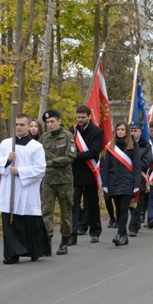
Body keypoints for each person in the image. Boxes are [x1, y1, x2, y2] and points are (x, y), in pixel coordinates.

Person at [0, 114, 50, 264]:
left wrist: (20, 171)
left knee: (29, 220)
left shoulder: (36, 146)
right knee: (10, 221)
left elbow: (40, 169)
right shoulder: (6, 144)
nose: (19, 127)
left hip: (27, 189)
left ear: (28, 127)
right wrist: (7, 160)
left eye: (22, 125)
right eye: (17, 124)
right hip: (9, 189)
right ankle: (12, 254)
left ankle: (33, 250)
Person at [40, 110, 75, 255]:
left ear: (59, 121)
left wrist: (50, 163)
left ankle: (64, 241)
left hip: (64, 181)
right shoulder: (44, 138)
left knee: (65, 211)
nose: (50, 125)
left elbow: (70, 156)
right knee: (46, 211)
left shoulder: (67, 136)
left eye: (52, 121)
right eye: (47, 122)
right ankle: (46, 241)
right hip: (48, 180)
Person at [101, 122, 140, 246]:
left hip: (127, 182)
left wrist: (136, 184)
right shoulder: (111, 147)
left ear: (126, 131)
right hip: (113, 182)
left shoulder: (133, 146)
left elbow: (137, 166)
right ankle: (124, 236)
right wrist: (105, 183)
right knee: (118, 209)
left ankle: (119, 234)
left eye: (123, 129)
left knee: (124, 209)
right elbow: (105, 166)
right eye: (118, 129)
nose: (120, 131)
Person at [69, 105, 104, 245]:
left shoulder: (97, 132)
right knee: (74, 204)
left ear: (89, 116)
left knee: (92, 204)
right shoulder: (72, 130)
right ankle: (74, 233)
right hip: (75, 173)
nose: (80, 120)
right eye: (78, 117)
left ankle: (95, 231)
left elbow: (94, 152)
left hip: (90, 173)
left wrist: (74, 156)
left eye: (83, 117)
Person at [128, 122, 152, 237]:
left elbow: (146, 163)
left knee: (137, 201)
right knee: (127, 201)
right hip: (126, 177)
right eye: (131, 131)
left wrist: (133, 165)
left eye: (135, 131)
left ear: (140, 132)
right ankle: (132, 220)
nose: (133, 133)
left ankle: (134, 226)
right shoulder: (124, 144)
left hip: (139, 176)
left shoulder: (146, 146)